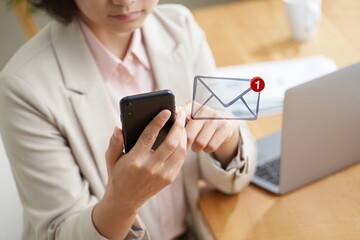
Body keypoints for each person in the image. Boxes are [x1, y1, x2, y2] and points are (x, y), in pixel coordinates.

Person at [0, 0, 257, 239]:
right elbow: (59, 232)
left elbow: (237, 173)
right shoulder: (24, 86)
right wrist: (123, 201)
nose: (124, 1)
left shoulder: (180, 27)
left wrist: (226, 137)